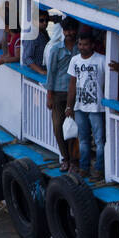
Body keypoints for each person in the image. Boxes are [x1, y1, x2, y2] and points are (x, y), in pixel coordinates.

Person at [67, 28, 107, 181]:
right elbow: (72, 84)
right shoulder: (75, 60)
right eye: (80, 44)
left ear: (92, 45)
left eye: (85, 44)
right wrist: (69, 106)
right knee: (83, 140)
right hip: (79, 107)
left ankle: (98, 169)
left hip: (96, 107)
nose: (82, 47)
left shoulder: (102, 60)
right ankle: (84, 168)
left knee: (99, 140)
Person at [44, 16, 79, 168]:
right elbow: (51, 73)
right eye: (67, 30)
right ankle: (65, 158)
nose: (69, 33)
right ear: (63, 31)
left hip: (76, 95)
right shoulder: (56, 49)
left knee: (73, 128)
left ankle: (73, 160)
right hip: (58, 93)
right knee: (58, 126)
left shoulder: (81, 48)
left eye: (72, 30)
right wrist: (49, 95)